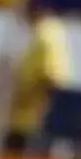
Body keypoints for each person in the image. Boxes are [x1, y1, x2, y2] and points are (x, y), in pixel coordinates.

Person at [9, 10, 72, 142]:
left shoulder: (46, 33)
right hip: (22, 120)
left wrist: (26, 97)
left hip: (28, 123)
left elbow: (50, 76)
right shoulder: (47, 32)